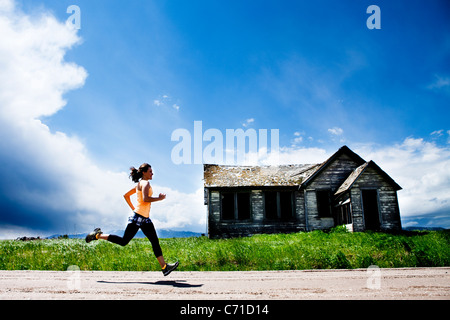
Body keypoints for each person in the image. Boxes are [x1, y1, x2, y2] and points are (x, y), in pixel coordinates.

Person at [85, 163, 179, 276]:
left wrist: (134, 209)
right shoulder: (145, 183)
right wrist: (159, 198)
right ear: (144, 173)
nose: (152, 173)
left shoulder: (140, 184)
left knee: (155, 241)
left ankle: (164, 267)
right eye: (150, 171)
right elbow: (145, 199)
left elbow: (126, 196)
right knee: (124, 241)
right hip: (138, 217)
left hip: (144, 218)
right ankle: (97, 236)